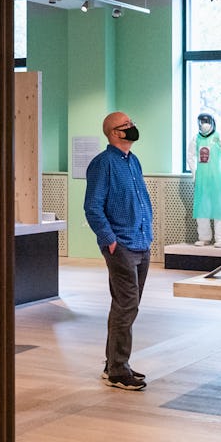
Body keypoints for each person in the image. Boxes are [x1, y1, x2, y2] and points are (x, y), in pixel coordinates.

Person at [84, 111, 153, 391]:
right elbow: (92, 207)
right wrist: (110, 239)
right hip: (121, 245)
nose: (132, 127)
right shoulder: (103, 164)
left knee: (127, 305)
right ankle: (117, 370)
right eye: (127, 125)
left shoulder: (132, 161)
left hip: (141, 241)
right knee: (127, 305)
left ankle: (113, 362)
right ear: (114, 133)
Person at [188, 111, 221, 247]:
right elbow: (190, 157)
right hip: (202, 179)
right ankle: (204, 237)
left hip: (218, 179)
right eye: (202, 122)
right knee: (202, 208)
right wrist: (194, 175)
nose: (204, 125)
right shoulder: (196, 139)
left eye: (207, 122)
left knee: (219, 208)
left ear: (213, 123)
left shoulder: (219, 138)